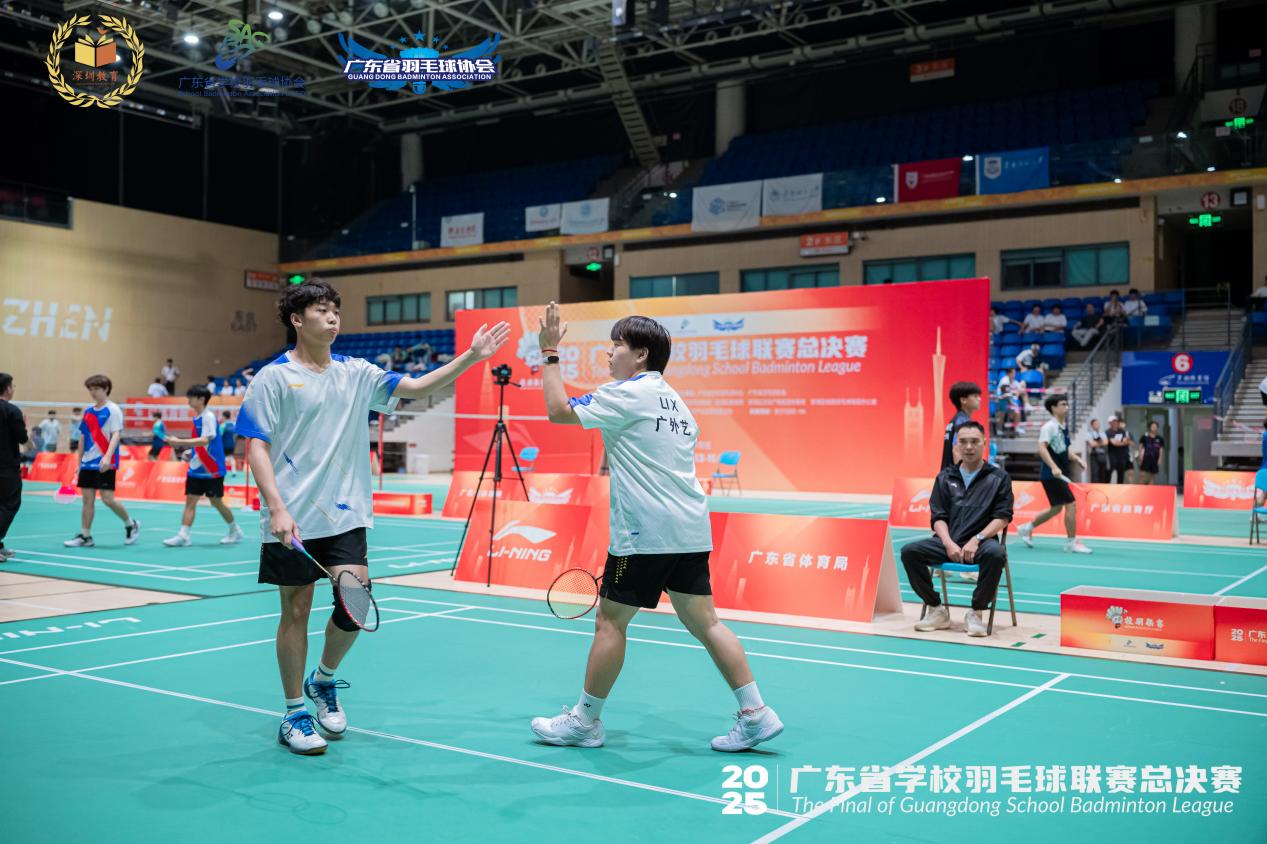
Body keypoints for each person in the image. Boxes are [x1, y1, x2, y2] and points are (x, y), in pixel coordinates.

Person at [235, 279, 509, 756]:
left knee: (355, 607)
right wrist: (276, 507)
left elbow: (418, 387)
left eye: (336, 311)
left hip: (345, 513)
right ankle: (294, 712)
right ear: (297, 320)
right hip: (293, 515)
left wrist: (472, 356)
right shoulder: (272, 378)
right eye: (322, 310)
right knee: (295, 610)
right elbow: (256, 445)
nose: (333, 318)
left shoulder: (356, 372)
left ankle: (323, 679)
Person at [530, 302, 783, 752]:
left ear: (641, 354)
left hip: (644, 534)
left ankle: (585, 721)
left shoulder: (626, 395)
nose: (609, 354)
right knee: (707, 622)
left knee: (610, 621)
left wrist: (550, 351)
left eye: (616, 345)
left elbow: (557, 410)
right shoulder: (678, 404)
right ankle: (756, 713)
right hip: (690, 530)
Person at [900, 421, 1013, 637]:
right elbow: (938, 517)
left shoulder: (999, 478)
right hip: (948, 543)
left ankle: (976, 612)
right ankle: (936, 609)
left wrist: (977, 539)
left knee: (996, 554)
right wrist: (948, 543)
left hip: (981, 543)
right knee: (910, 552)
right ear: (956, 445)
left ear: (984, 443)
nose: (969, 447)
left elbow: (1002, 517)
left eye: (974, 441)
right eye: (963, 442)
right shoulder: (945, 477)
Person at [63, 375, 140, 549]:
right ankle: (85, 536)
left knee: (107, 499)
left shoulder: (113, 410)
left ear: (106, 389)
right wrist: (79, 463)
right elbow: (83, 437)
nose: (93, 392)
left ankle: (131, 524)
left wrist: (107, 457)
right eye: (90, 389)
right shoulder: (88, 411)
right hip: (88, 462)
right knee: (87, 500)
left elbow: (116, 434)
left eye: (96, 389)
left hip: (105, 462)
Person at [161, 385, 242, 548]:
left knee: (216, 502)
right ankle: (184, 535)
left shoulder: (208, 417)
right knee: (190, 501)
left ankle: (235, 530)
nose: (188, 400)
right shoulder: (197, 418)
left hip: (211, 468)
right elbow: (201, 444)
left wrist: (180, 442)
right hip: (196, 467)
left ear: (201, 399)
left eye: (191, 397)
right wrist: (190, 453)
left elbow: (205, 440)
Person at [1016, 395, 1092, 554]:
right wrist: (1054, 467)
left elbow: (1064, 449)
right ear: (1053, 408)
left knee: (1056, 508)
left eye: (1067, 404)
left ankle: (1026, 528)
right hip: (1052, 474)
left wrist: (1078, 459)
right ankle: (1071, 542)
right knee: (1071, 504)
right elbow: (1042, 447)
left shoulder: (1062, 427)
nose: (1067, 407)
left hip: (1059, 473)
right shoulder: (1049, 427)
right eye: (1063, 404)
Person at [0, 373, 27, 561]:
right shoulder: (12, 411)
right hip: (6, 468)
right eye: (13, 385)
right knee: (10, 504)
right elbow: (22, 438)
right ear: (8, 388)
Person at [942, 382, 981, 469]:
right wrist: (963, 475)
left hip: (948, 473)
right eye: (975, 396)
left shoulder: (957, 419)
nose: (979, 399)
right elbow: (957, 451)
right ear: (963, 400)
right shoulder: (962, 421)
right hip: (953, 475)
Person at [1106, 417, 1133, 484]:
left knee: (1121, 474)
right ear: (1110, 423)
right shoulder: (1108, 432)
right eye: (1113, 422)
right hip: (1112, 456)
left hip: (1121, 456)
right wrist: (1122, 443)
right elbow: (1114, 443)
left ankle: (1120, 488)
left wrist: (1121, 442)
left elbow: (1127, 441)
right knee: (1109, 473)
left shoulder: (1122, 431)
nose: (1115, 423)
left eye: (1116, 422)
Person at [1086, 418, 1109, 484]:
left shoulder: (1102, 433)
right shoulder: (1089, 433)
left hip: (1103, 455)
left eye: (1098, 423)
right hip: (1094, 455)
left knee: (1103, 474)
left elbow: (1106, 442)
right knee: (1095, 474)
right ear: (1092, 425)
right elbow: (1092, 444)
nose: (1097, 425)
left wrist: (1097, 443)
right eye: (1095, 424)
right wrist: (1101, 442)